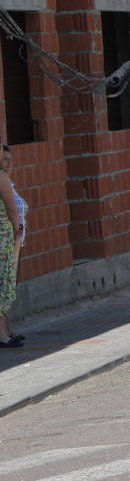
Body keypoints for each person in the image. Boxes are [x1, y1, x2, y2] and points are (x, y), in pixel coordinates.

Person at [0, 143, 24, 348]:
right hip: (5, 239)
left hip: (8, 239)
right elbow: (13, 212)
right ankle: (2, 334)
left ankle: (6, 330)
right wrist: (18, 233)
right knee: (4, 285)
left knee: (7, 285)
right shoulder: (1, 178)